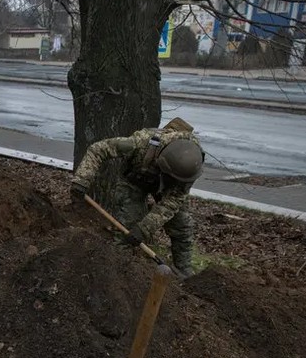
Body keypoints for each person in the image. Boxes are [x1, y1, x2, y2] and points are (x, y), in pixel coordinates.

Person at [70, 117, 205, 278]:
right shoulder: (140, 143)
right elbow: (99, 149)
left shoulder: (190, 166)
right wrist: (82, 180)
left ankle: (183, 271)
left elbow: (171, 204)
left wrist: (144, 229)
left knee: (182, 225)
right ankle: (118, 268)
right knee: (126, 229)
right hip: (134, 181)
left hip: (169, 187)